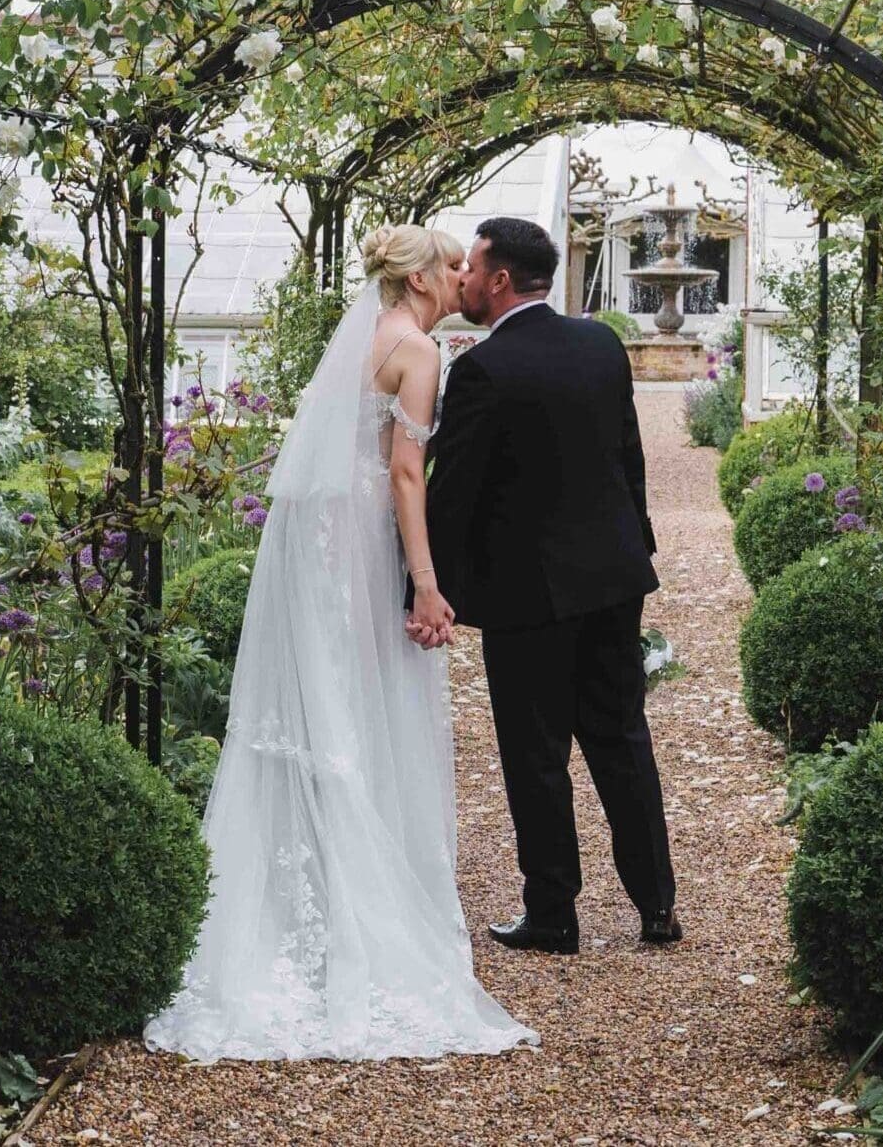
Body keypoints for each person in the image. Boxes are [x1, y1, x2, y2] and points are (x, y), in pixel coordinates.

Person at [143, 224, 536, 1061]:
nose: (464, 275)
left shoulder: (366, 340)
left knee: (317, 708)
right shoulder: (420, 355)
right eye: (454, 265)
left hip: (312, 546)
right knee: (360, 708)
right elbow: (403, 473)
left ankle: (291, 907)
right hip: (360, 543)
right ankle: (356, 915)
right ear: (423, 277)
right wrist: (427, 583)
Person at [409, 216, 679, 956]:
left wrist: (426, 584)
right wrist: (637, 545)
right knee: (622, 736)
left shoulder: (484, 370)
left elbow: (453, 493)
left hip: (529, 595)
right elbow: (629, 457)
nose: (460, 279)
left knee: (536, 754)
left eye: (471, 270)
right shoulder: (600, 344)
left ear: (498, 280)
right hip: (615, 577)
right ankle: (657, 904)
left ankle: (554, 914)